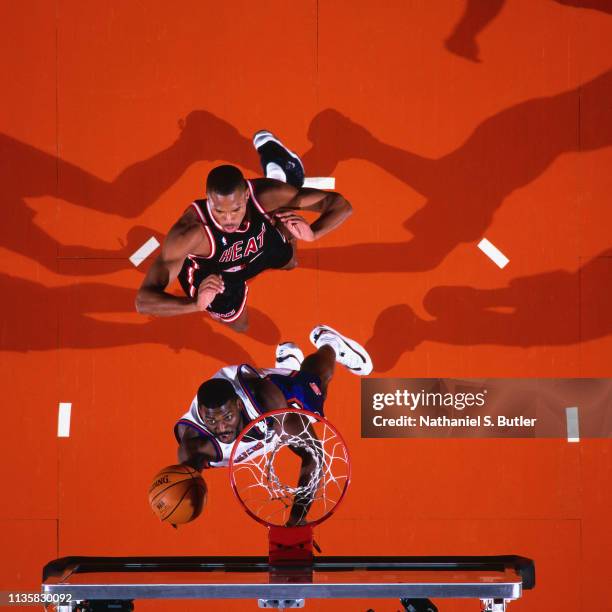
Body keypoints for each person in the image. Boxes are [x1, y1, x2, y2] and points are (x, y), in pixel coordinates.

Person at [136, 131, 353, 332]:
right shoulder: (191, 233)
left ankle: (282, 176)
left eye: (236, 209)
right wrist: (194, 305)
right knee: (241, 325)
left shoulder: (265, 196)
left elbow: (340, 204)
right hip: (218, 278)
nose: (228, 219)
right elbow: (143, 301)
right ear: (209, 200)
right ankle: (283, 176)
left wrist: (314, 233)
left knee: (291, 262)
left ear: (246, 197)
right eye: (219, 211)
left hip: (259, 243)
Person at [174, 325, 373, 524]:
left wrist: (297, 518)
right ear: (201, 414)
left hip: (271, 397)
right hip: (256, 416)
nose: (221, 428)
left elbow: (313, 457)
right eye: (212, 421)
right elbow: (182, 485)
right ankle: (290, 364)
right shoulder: (196, 447)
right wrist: (173, 502)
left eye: (227, 418)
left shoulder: (269, 401)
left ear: (238, 405)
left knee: (314, 390)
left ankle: (329, 344)